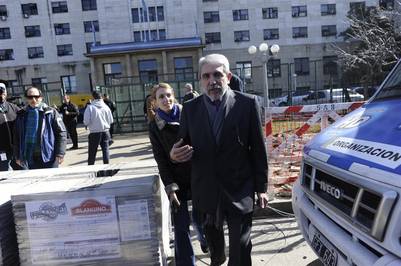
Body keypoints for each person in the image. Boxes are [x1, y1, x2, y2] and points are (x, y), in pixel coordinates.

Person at [170, 54, 268, 266]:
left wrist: (262, 188)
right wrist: (173, 155)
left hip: (239, 189)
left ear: (229, 76)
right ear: (200, 80)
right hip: (206, 192)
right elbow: (181, 143)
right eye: (206, 76)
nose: (212, 80)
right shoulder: (190, 108)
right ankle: (218, 256)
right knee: (216, 253)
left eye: (217, 74)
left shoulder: (247, 104)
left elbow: (258, 149)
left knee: (240, 250)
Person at [148, 83, 207, 266]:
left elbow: (204, 143)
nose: (166, 100)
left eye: (168, 95)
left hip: (198, 175)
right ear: (155, 102)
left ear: (174, 95)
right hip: (176, 180)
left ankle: (205, 240)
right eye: (161, 97)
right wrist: (170, 188)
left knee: (202, 219)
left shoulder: (189, 115)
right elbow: (161, 160)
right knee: (181, 228)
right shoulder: (155, 127)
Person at [14, 87, 67, 169]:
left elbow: (61, 133)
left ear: (41, 98)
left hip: (49, 156)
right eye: (30, 97)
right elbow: (17, 136)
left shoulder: (51, 112)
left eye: (36, 97)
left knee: (51, 180)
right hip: (30, 157)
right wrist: (18, 156)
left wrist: (60, 153)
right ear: (26, 99)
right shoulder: (21, 115)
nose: (33, 99)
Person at [84, 90, 113, 165]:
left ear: (93, 97)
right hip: (106, 131)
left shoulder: (90, 107)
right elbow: (111, 120)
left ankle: (91, 167)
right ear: (101, 97)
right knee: (105, 150)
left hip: (94, 132)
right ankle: (107, 167)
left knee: (92, 152)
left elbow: (86, 121)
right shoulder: (106, 107)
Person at [0, 83, 20, 171]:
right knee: (6, 173)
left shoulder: (13, 107)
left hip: (16, 148)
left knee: (22, 171)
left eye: (2, 92)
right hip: (1, 150)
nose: (1, 94)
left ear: (6, 93)